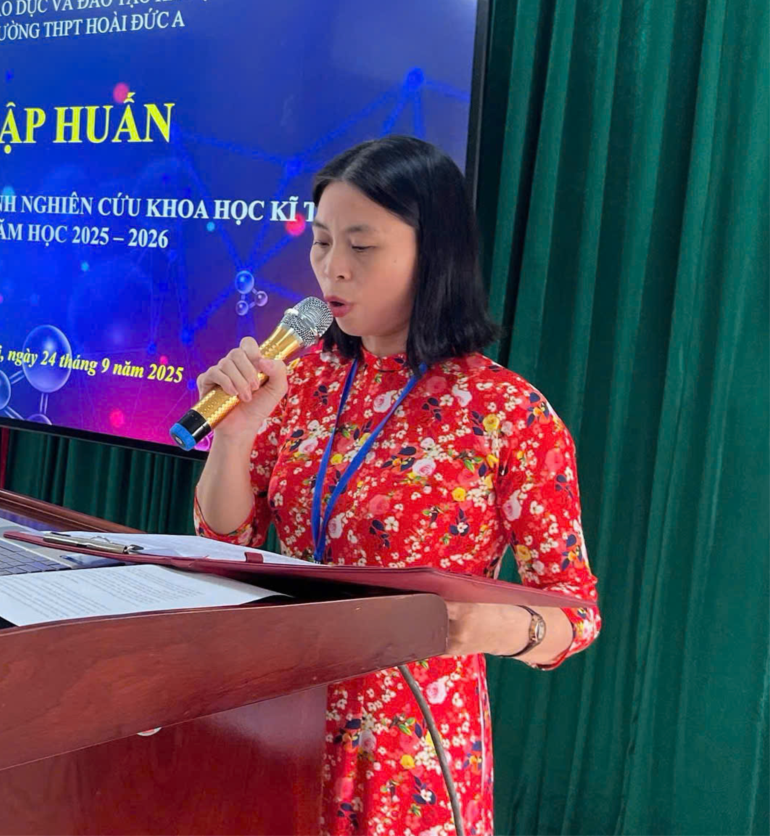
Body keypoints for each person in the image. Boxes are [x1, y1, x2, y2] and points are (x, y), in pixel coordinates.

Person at [194, 136, 600, 836]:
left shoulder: (507, 412)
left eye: (362, 245)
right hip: (279, 715)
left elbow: (575, 611)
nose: (332, 268)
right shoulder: (299, 381)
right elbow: (227, 538)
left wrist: (489, 627)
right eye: (322, 242)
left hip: (409, 746)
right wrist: (232, 438)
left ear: (434, 253)